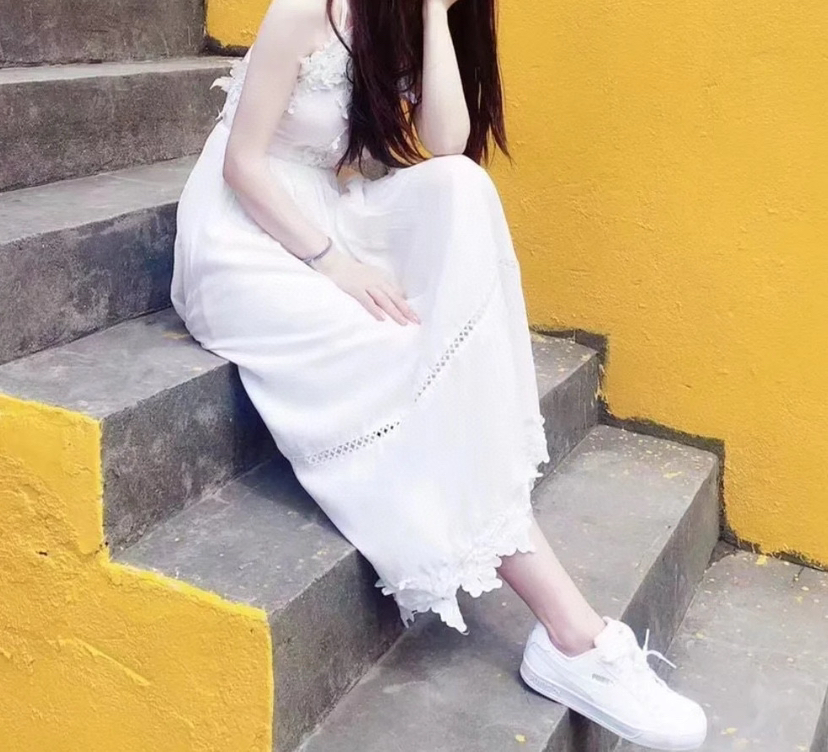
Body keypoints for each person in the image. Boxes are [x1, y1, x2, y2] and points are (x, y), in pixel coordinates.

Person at [171, 0, 707, 747]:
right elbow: (242, 165)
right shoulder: (303, 10)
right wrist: (334, 263)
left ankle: (566, 623)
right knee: (398, 362)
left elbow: (450, 144)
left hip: (332, 207)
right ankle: (573, 636)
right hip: (246, 234)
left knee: (461, 187)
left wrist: (432, 16)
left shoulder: (396, 22)